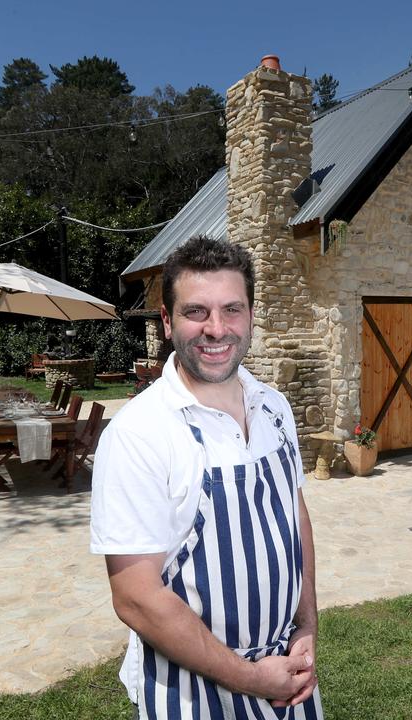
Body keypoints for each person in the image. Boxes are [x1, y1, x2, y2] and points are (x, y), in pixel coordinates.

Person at [91, 235, 322, 719]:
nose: (216, 329)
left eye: (232, 310)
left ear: (252, 316)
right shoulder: (140, 433)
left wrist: (306, 628)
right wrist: (253, 677)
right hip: (194, 694)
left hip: (289, 675)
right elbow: (135, 597)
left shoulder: (274, 407)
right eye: (197, 312)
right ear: (166, 320)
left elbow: (294, 517)